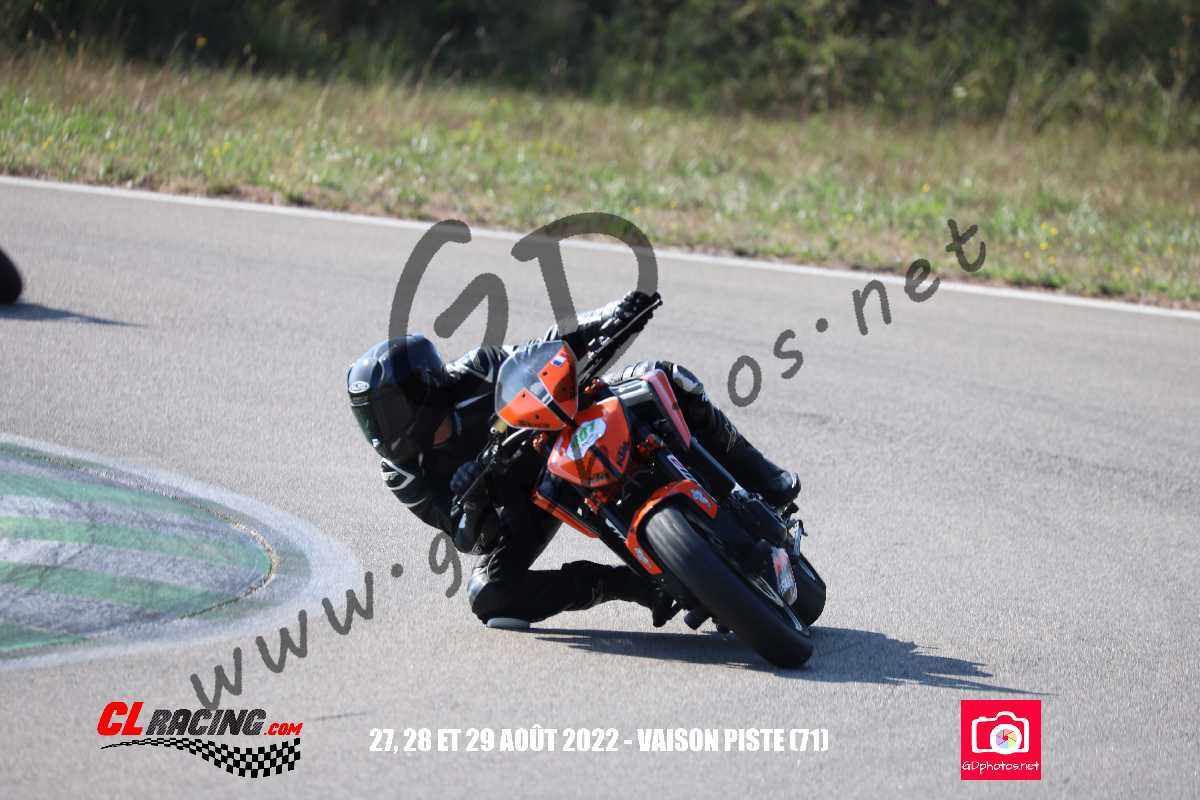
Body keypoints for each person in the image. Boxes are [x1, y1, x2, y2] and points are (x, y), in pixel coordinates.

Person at [347, 291, 800, 628]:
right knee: (489, 594)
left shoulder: (474, 372)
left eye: (386, 413)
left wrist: (613, 312)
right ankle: (637, 586)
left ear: (422, 390)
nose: (380, 431)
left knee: (663, 378)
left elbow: (543, 350)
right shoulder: (401, 472)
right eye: (369, 420)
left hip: (557, 432)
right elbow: (467, 538)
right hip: (517, 505)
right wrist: (473, 498)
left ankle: (763, 479)